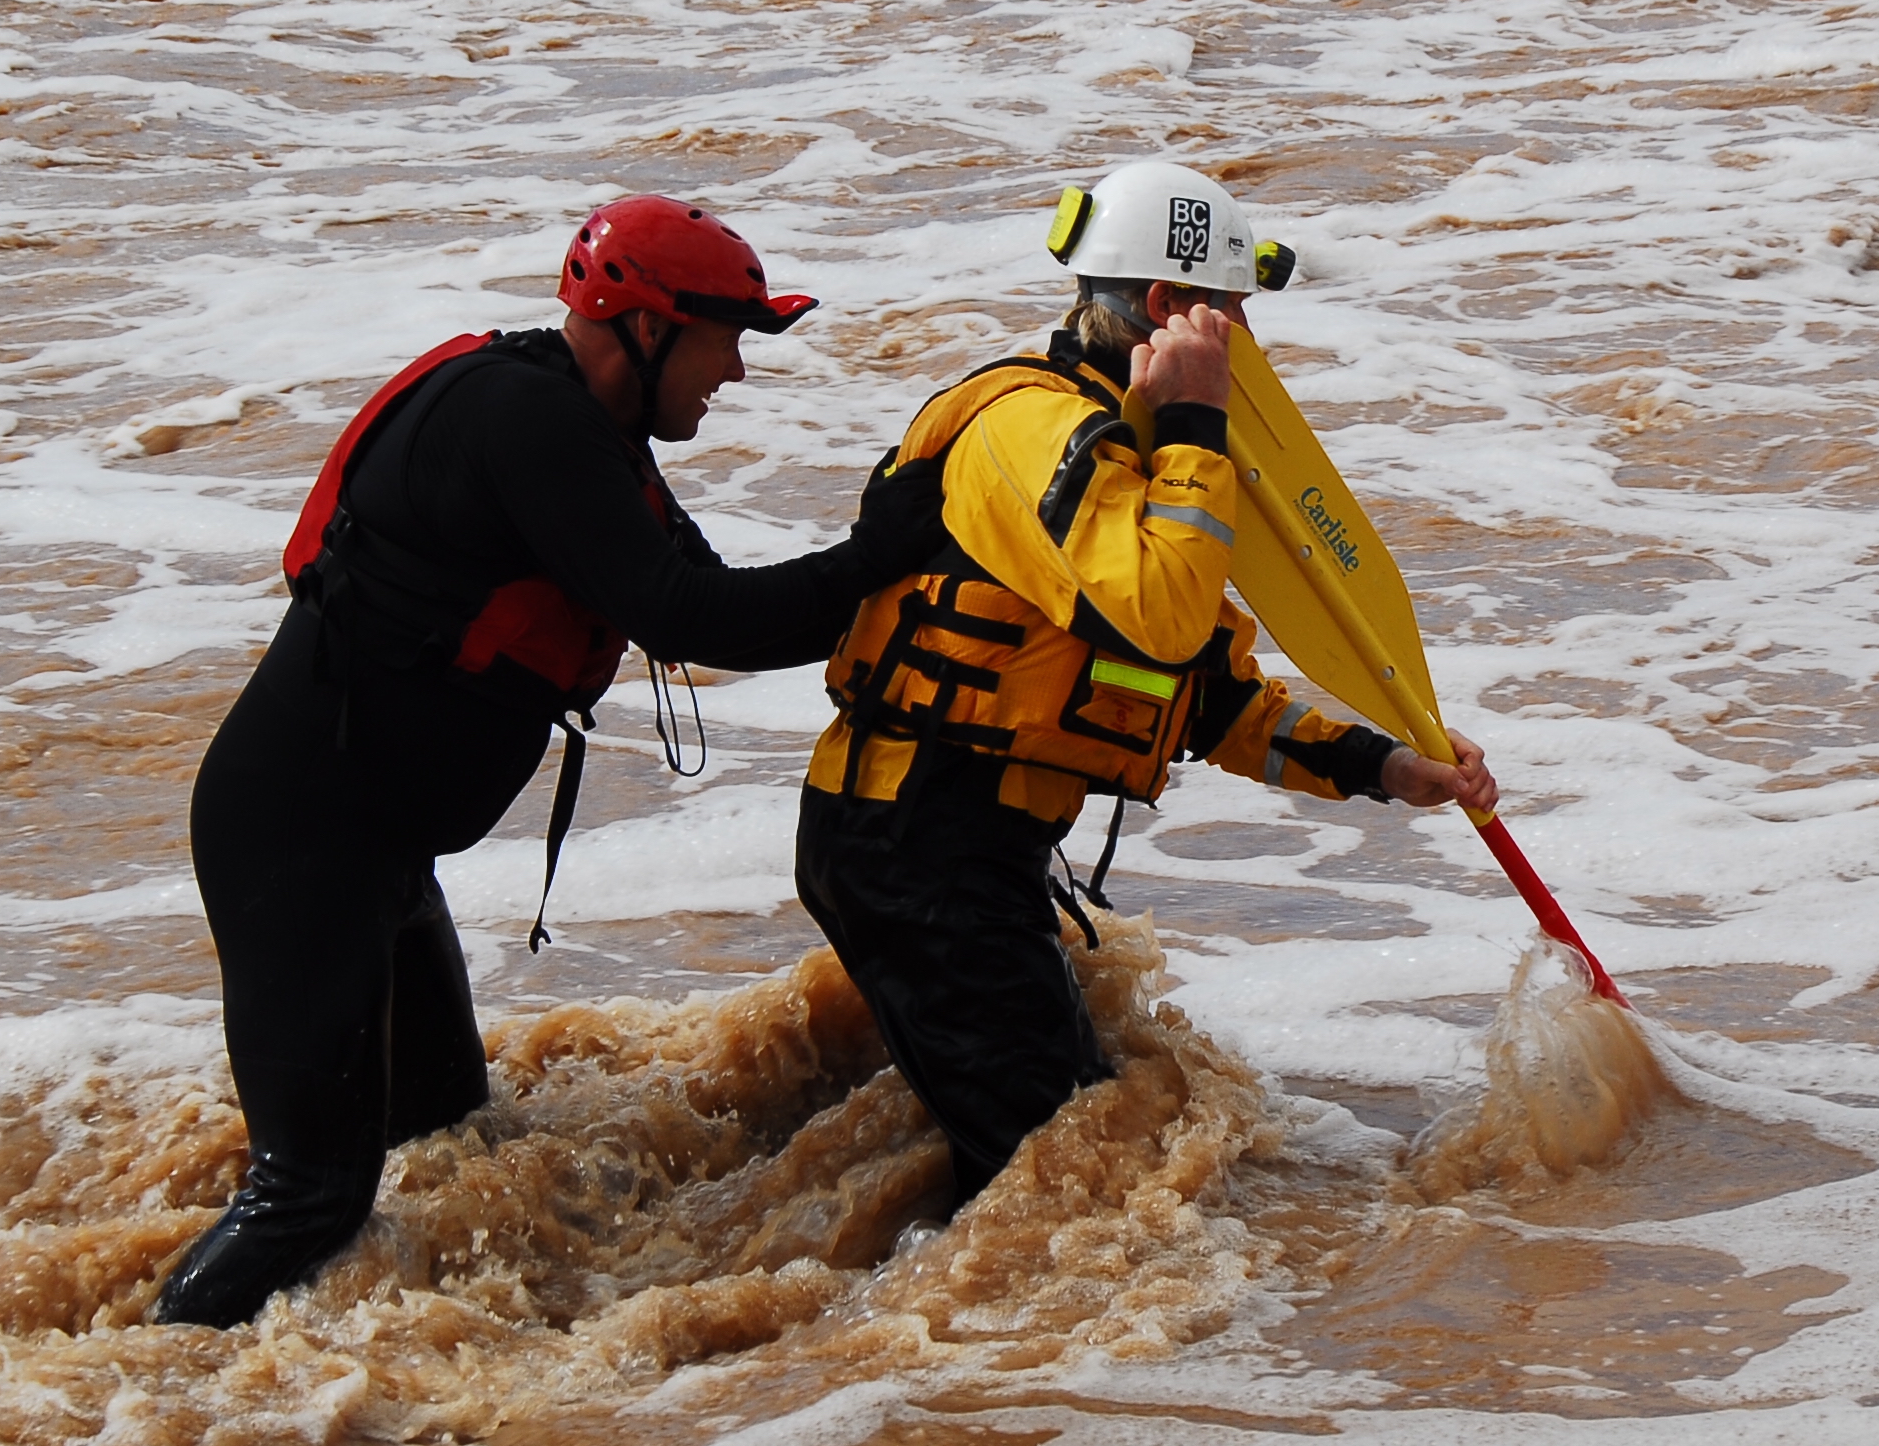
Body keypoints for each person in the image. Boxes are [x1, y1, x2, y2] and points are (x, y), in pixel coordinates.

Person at [161, 196, 946, 1328]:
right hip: (301, 841)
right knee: (309, 1196)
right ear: (646, 326)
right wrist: (879, 553)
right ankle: (142, 1392)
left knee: (445, 1132)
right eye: (726, 337)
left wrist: (881, 562)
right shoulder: (522, 425)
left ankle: (378, 1354)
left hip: (372, 850)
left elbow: (718, 605)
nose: (734, 371)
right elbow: (689, 616)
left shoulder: (580, 427)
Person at [796, 161, 1499, 1207]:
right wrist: (1196, 429)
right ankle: (928, 1356)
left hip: (965, 851)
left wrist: (1389, 768)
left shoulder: (1136, 458)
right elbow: (1160, 611)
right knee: (1060, 1193)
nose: (1250, 350)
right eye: (1235, 318)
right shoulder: (1036, 431)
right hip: (913, 843)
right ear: (1172, 310)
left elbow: (1202, 693)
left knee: (1069, 1146)